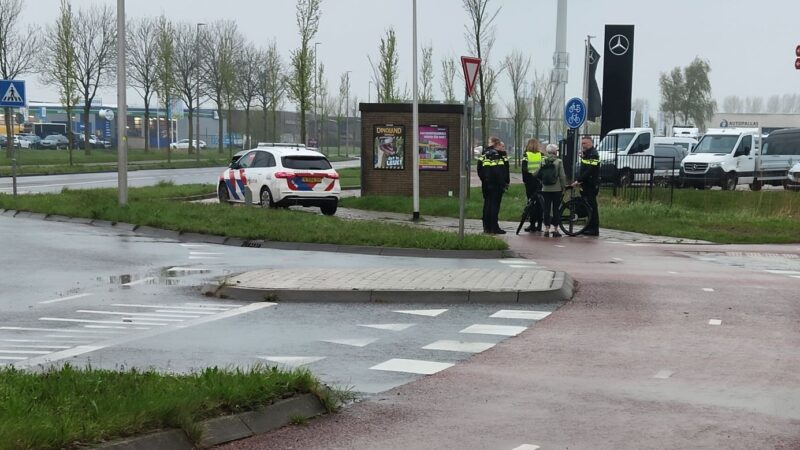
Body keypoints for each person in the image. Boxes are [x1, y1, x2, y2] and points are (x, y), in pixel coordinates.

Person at [477, 141, 510, 234]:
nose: (504, 148)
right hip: (496, 185)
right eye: (502, 146)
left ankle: (486, 227)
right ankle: (494, 227)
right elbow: (499, 172)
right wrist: (503, 183)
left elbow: (479, 169)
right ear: (497, 146)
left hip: (486, 184)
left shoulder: (484, 154)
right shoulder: (496, 155)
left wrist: (484, 180)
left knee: (487, 205)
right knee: (494, 206)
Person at [571, 135, 601, 236]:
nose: (582, 145)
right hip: (586, 184)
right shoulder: (587, 153)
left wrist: (578, 180)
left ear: (590, 143)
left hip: (591, 185)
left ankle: (594, 229)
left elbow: (589, 171)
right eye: (582, 143)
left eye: (584, 143)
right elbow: (584, 168)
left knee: (592, 207)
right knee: (587, 207)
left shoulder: (594, 154)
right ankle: (588, 227)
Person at [539, 144, 568, 237]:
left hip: (545, 189)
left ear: (547, 152)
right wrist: (564, 186)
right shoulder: (559, 161)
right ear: (555, 152)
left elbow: (538, 173)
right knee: (556, 209)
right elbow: (562, 176)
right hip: (556, 189)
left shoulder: (543, 161)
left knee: (546, 209)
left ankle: (546, 229)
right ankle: (555, 229)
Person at [521, 138, 544, 232]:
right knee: (540, 203)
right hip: (540, 182)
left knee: (531, 203)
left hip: (530, 182)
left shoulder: (526, 155)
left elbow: (524, 169)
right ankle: (539, 225)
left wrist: (525, 181)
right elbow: (543, 168)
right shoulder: (541, 155)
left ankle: (532, 224)